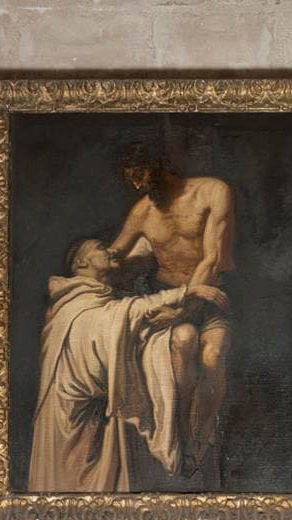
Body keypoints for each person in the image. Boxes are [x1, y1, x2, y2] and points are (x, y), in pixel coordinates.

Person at [28, 238, 227, 493]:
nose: (111, 250)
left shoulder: (98, 302)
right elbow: (113, 324)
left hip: (95, 423)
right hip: (71, 431)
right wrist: (185, 292)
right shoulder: (73, 307)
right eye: (101, 247)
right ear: (81, 262)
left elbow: (119, 321)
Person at [110, 143, 236, 475]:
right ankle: (182, 433)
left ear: (158, 165)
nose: (137, 184)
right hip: (167, 298)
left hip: (210, 296)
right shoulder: (142, 212)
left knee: (213, 356)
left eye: (140, 174)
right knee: (183, 340)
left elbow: (212, 259)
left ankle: (201, 435)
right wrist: (115, 263)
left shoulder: (211, 191)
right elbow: (114, 257)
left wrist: (184, 308)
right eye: (130, 178)